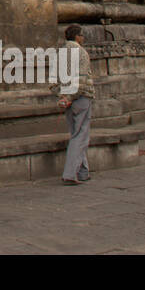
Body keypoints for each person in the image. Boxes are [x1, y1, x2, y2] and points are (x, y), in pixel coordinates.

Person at [55, 25, 94, 185]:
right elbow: (82, 80)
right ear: (77, 37)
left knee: (76, 134)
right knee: (81, 136)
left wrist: (63, 96)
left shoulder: (60, 53)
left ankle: (83, 171)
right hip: (81, 97)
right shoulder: (81, 53)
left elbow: (55, 78)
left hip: (67, 97)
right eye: (82, 35)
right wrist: (71, 97)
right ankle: (70, 173)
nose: (83, 38)